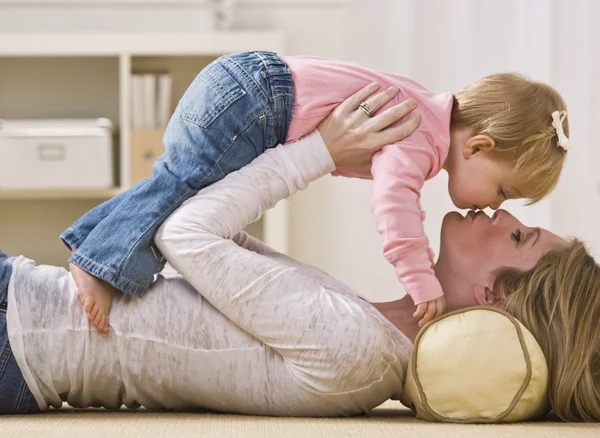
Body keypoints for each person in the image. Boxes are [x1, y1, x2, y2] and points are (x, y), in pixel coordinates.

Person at [1, 93, 597, 422]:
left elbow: (184, 236)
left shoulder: (356, 350)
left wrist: (318, 151)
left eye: (521, 237)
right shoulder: (367, 331)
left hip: (16, 334)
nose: (506, 215)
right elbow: (217, 245)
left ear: (492, 296)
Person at [60, 51, 570, 334]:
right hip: (258, 101)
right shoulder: (418, 139)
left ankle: (92, 243)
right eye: (504, 189)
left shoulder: (423, 110)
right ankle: (99, 264)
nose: (494, 206)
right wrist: (420, 279)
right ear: (478, 145)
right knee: (180, 189)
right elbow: (395, 209)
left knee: (173, 185)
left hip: (249, 82)